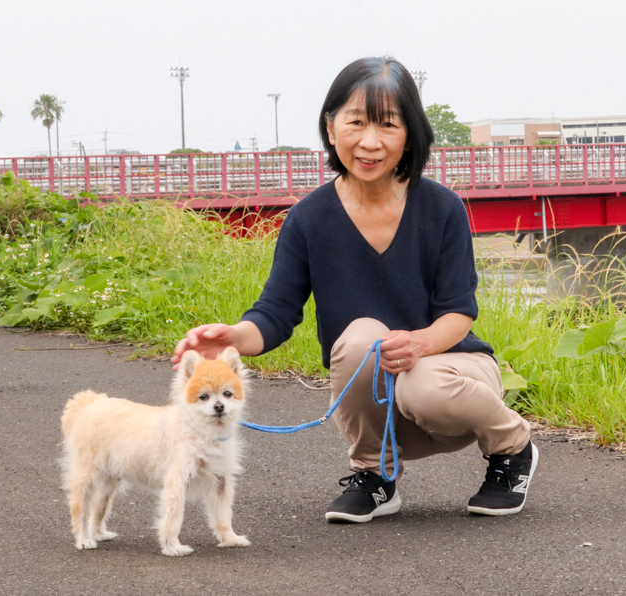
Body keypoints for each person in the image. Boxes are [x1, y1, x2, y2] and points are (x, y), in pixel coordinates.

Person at [172, 56, 536, 524]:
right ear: (330, 126)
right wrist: (232, 339)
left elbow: (458, 312)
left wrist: (419, 344)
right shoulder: (309, 219)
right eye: (356, 121)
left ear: (410, 134)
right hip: (376, 403)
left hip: (453, 380)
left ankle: (512, 447)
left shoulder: (441, 207)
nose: (370, 141)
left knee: (420, 381)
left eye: (388, 124)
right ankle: (375, 476)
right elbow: (276, 312)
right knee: (364, 333)